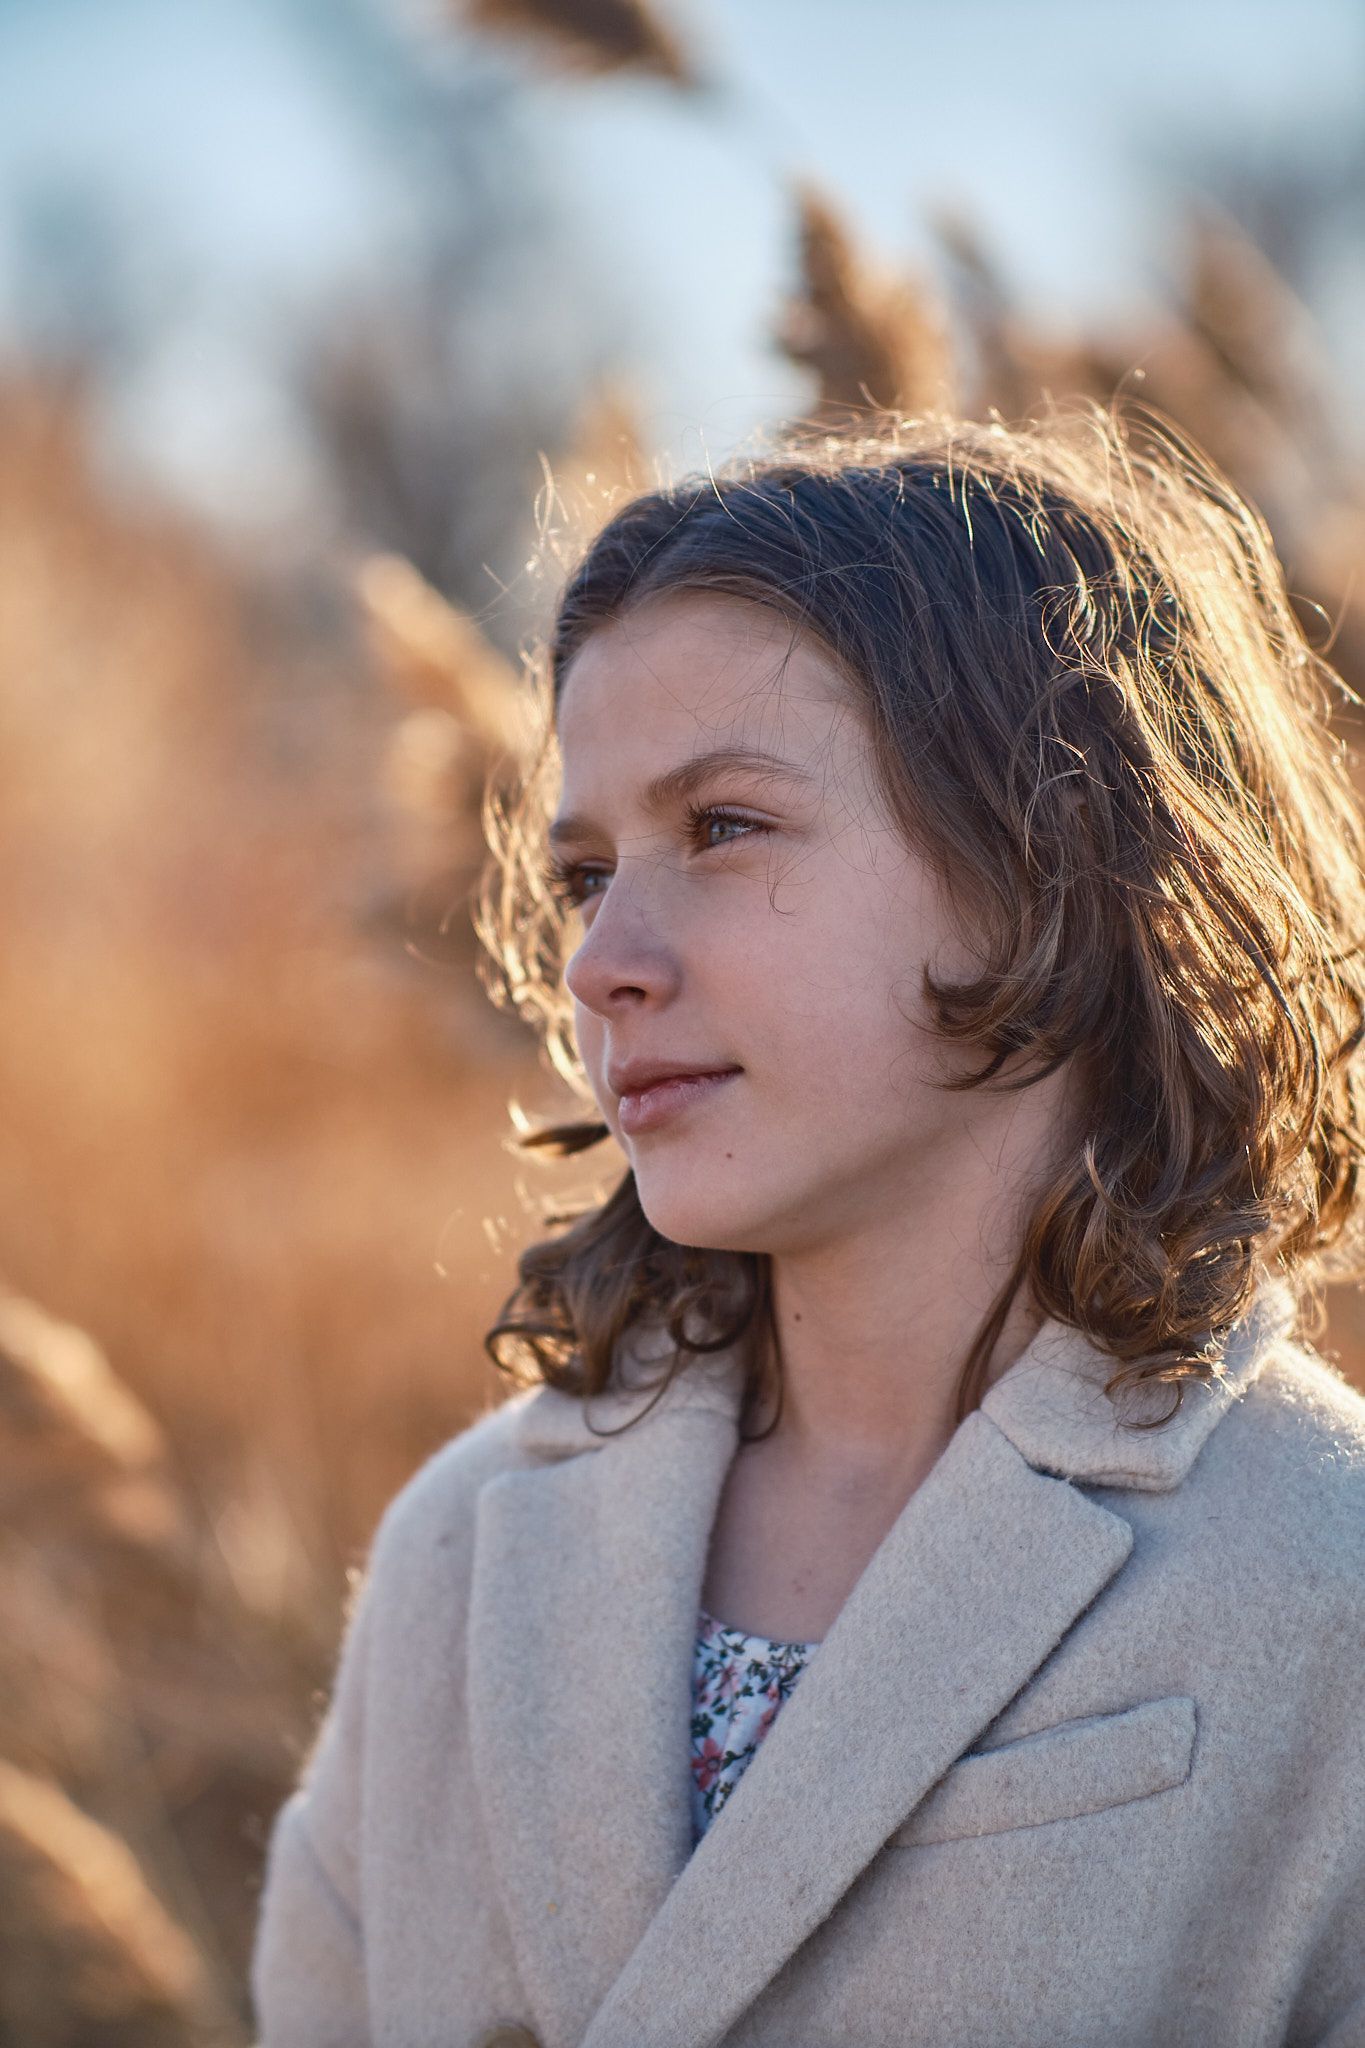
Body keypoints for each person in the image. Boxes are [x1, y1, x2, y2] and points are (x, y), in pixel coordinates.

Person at [250, 406, 1365, 2048]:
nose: (600, 963)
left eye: (722, 826)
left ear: (1049, 857)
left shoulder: (1324, 1574)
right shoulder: (458, 1552)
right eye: (583, 874)